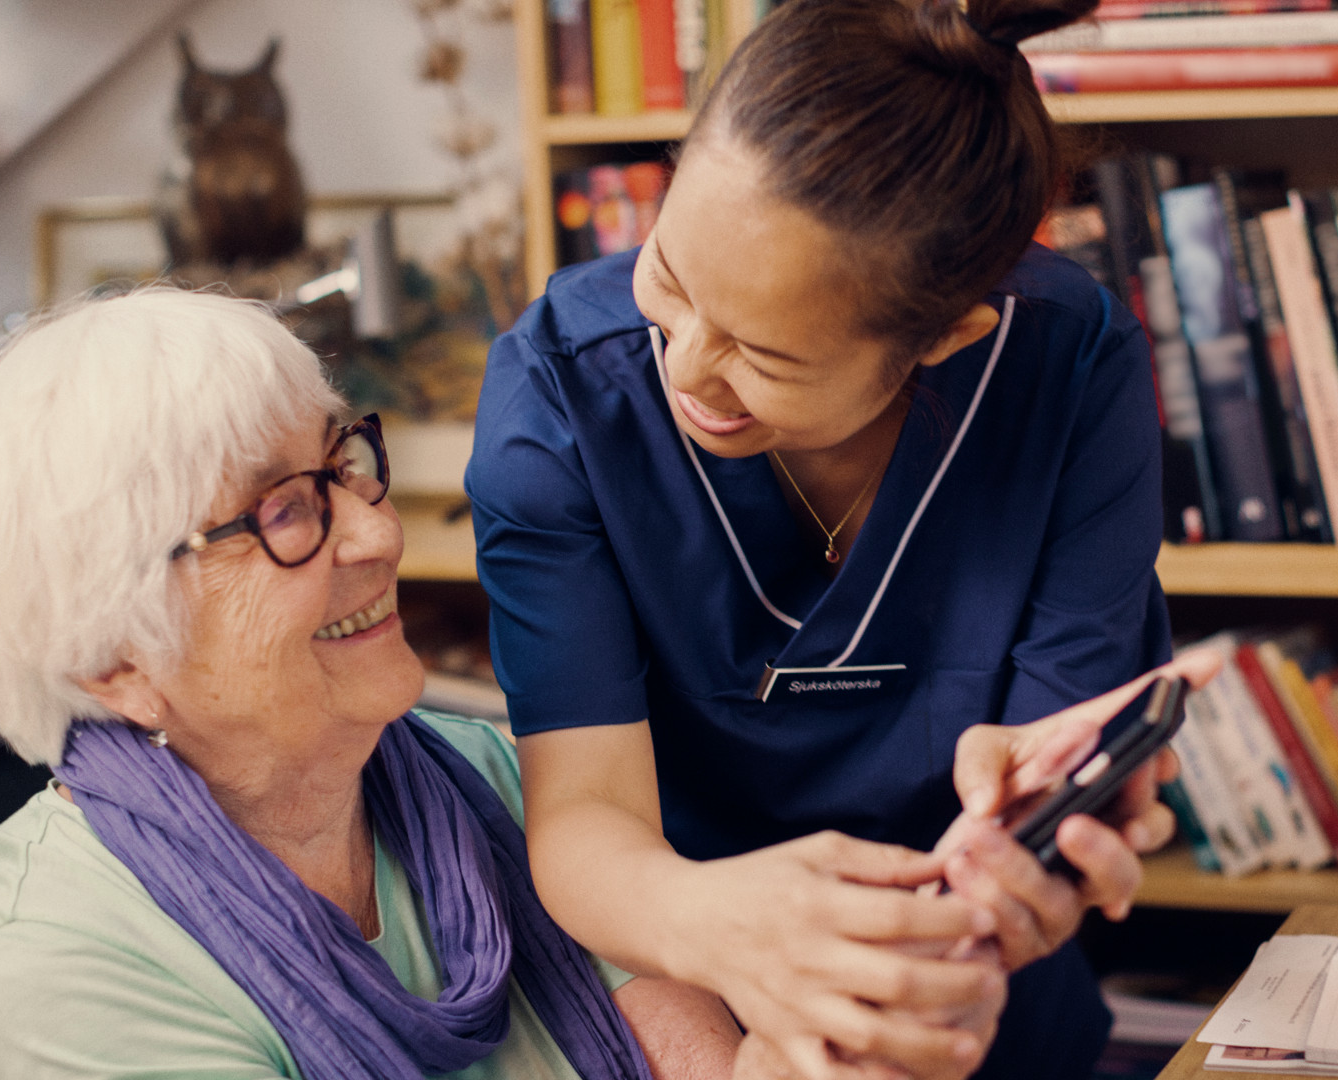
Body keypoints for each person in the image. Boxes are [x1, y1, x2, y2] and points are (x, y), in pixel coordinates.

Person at [465, 0, 1218, 1074]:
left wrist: (1025, 840)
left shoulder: (1072, 368)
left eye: (766, 353)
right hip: (696, 1000)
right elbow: (583, 817)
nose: (682, 366)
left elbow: (1054, 741)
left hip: (979, 1000)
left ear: (945, 336)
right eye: (670, 277)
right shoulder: (560, 394)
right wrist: (723, 933)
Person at [0, 288, 807, 1080]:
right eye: (282, 512)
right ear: (112, 657)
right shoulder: (51, 970)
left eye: (341, 466)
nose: (377, 536)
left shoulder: (491, 777)